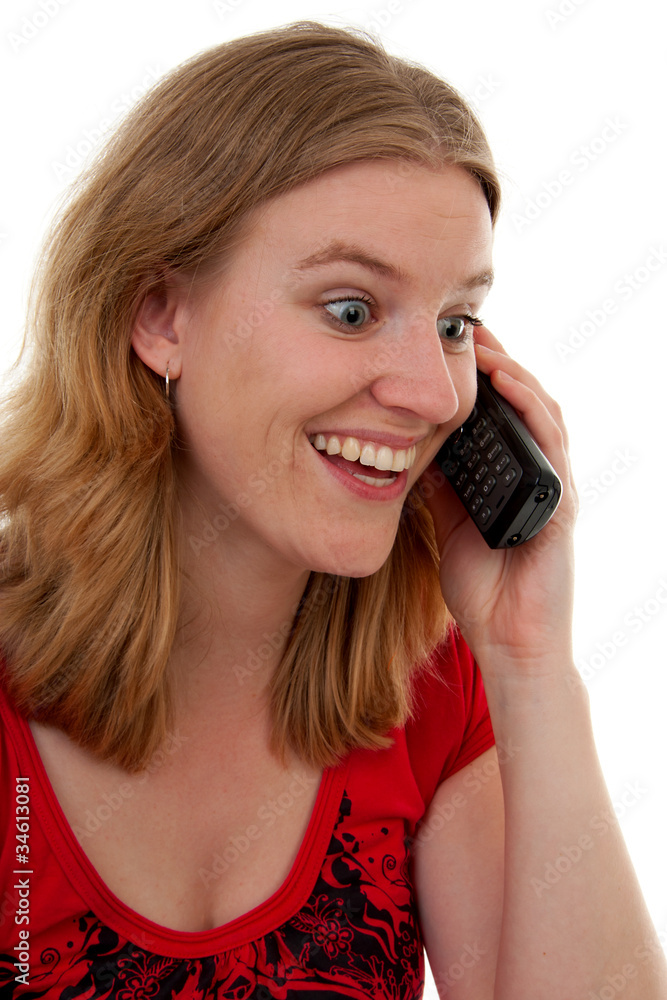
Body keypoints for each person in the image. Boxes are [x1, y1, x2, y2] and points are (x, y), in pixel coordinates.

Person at [0, 20, 664, 1000]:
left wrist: (531, 664)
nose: (434, 396)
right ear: (160, 316)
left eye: (454, 323)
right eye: (351, 310)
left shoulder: (430, 692)